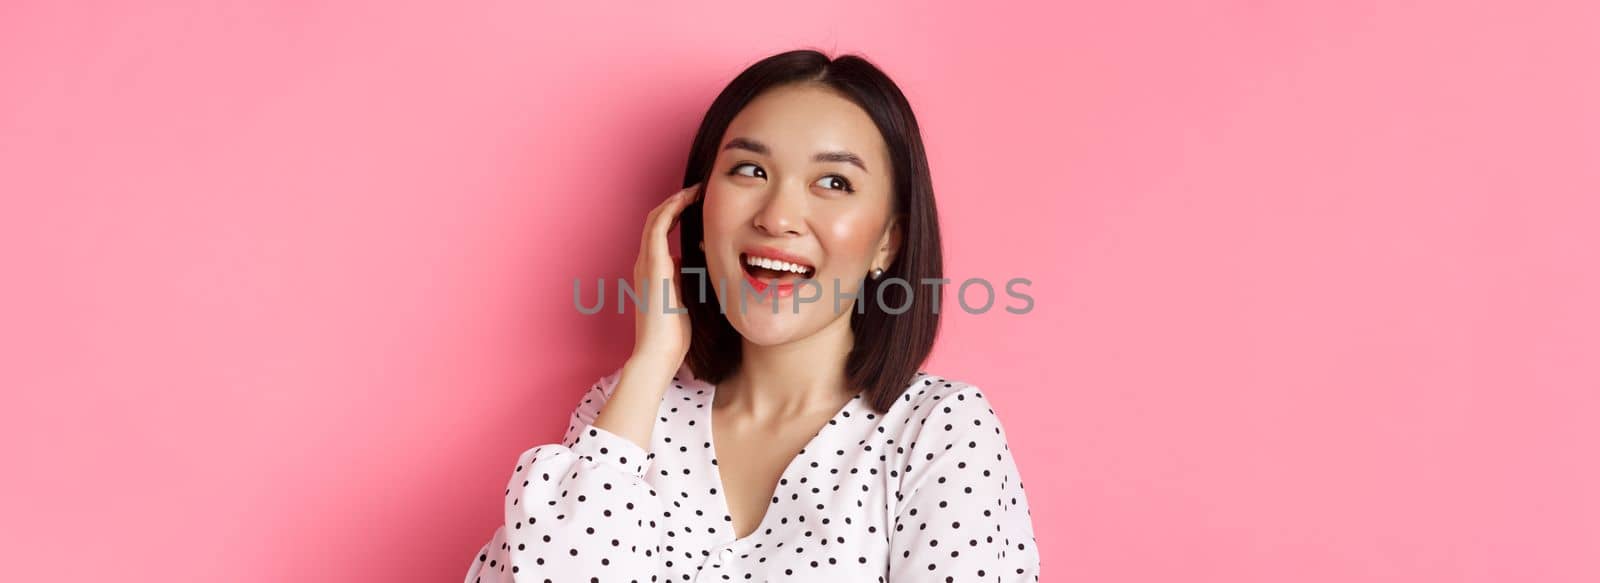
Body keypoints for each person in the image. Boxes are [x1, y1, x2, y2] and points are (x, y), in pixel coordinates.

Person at [464, 48, 1041, 582]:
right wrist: (652, 360)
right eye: (750, 171)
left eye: (833, 182)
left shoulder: (938, 430)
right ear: (698, 205)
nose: (778, 215)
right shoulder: (624, 413)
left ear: (888, 243)